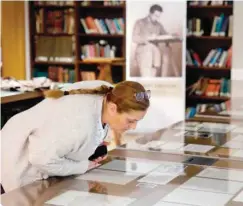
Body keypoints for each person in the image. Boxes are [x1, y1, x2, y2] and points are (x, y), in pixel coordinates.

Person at [1, 80, 150, 192]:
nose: (134, 127)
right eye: (130, 121)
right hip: (15, 161)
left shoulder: (110, 93)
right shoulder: (77, 123)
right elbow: (41, 159)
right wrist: (83, 166)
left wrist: (94, 147)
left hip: (36, 144)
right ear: (113, 108)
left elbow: (91, 130)